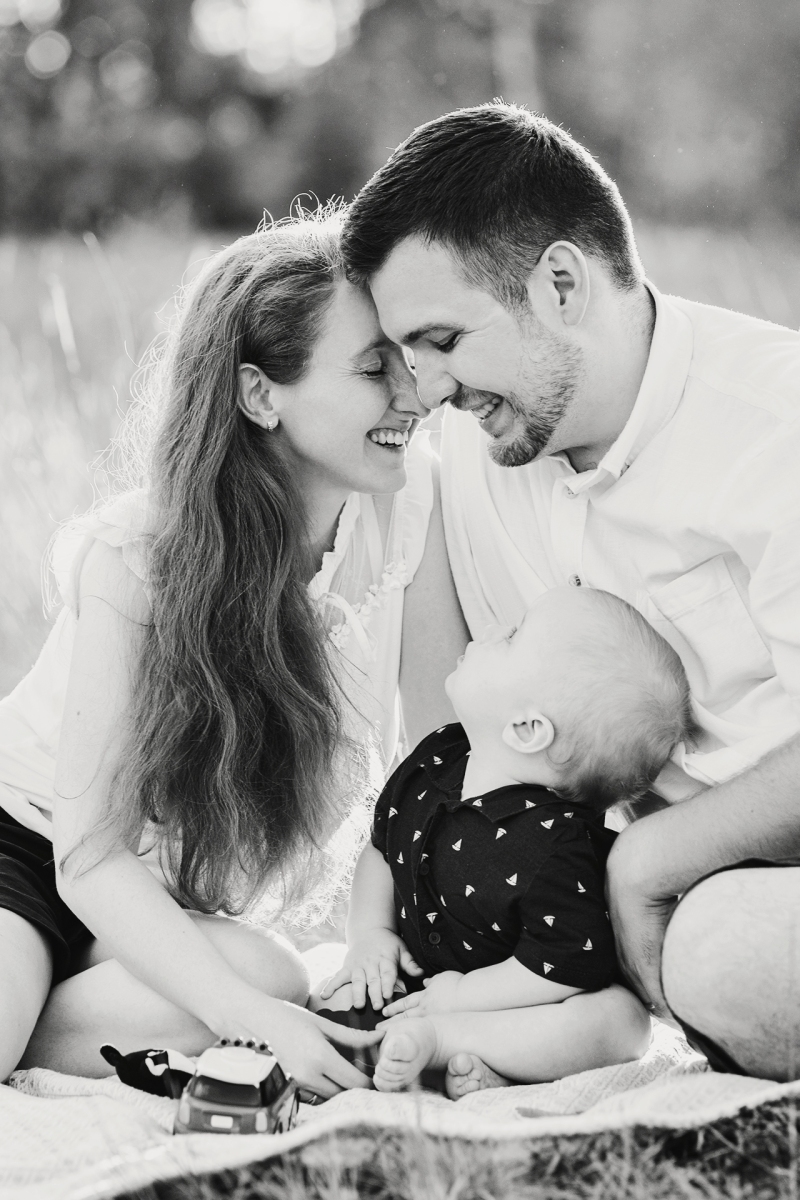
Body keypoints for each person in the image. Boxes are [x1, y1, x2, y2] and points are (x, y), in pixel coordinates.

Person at [340, 102, 800, 1081]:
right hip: (598, 920)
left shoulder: (775, 426)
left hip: (751, 893)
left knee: (727, 952)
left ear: (559, 284)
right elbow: (452, 744)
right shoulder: (472, 460)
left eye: (443, 340)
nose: (427, 391)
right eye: (408, 354)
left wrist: (648, 862)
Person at [0, 212, 468, 1094]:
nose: (414, 395)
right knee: (243, 1007)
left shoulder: (413, 503)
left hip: (154, 906)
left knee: (270, 980)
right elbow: (88, 855)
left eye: (408, 360)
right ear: (260, 394)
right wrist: (253, 1025)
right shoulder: (140, 556)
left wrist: (430, 947)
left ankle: (41, 1004)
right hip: (28, 849)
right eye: (374, 368)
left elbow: (440, 753)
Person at [316, 587, 691, 1093]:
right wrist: (369, 935)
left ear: (527, 728)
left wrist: (464, 997)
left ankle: (455, 1045)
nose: (491, 631)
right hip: (420, 981)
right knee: (332, 1003)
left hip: (517, 1002)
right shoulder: (436, 757)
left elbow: (562, 966)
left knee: (622, 1023)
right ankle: (464, 1064)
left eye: (512, 636)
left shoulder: (556, 844)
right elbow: (382, 850)